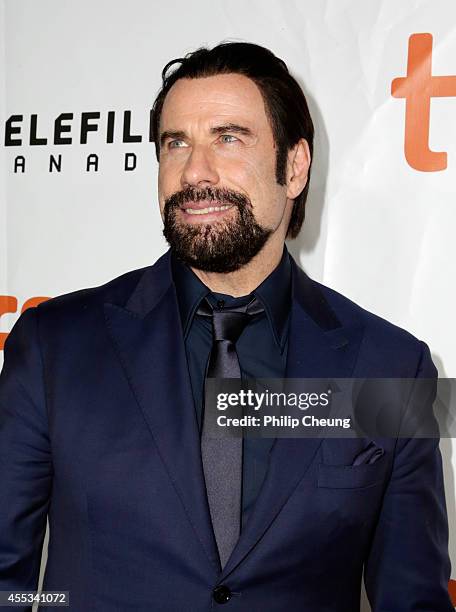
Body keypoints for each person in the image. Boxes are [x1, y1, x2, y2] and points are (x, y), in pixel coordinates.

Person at [0, 42, 452, 611]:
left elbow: (413, 601)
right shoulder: (54, 346)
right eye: (176, 143)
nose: (194, 172)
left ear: (294, 167)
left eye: (228, 138)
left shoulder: (389, 365)